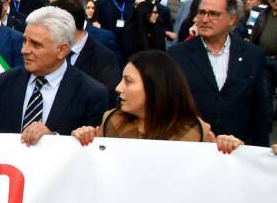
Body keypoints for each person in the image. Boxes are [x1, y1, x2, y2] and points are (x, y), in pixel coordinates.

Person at [0, 6, 109, 145]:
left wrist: (52, 141)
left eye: (36, 45)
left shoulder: (92, 94)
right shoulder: (4, 82)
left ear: (62, 50)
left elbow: (92, 153)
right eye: (24, 41)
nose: (24, 50)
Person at [74, 50, 244, 148]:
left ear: (154, 87)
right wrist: (83, 139)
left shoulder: (196, 132)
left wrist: (227, 147)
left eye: (128, 81)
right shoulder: (111, 122)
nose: (118, 88)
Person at [169, 0, 270, 147]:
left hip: (238, 148)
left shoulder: (252, 55)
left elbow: (259, 109)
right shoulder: (178, 54)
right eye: (201, 12)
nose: (204, 19)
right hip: (193, 147)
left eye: (213, 14)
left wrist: (260, 153)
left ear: (232, 19)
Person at [52, 0, 121, 99]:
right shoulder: (50, 51)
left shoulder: (105, 57)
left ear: (65, 24)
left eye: (52, 24)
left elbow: (108, 97)